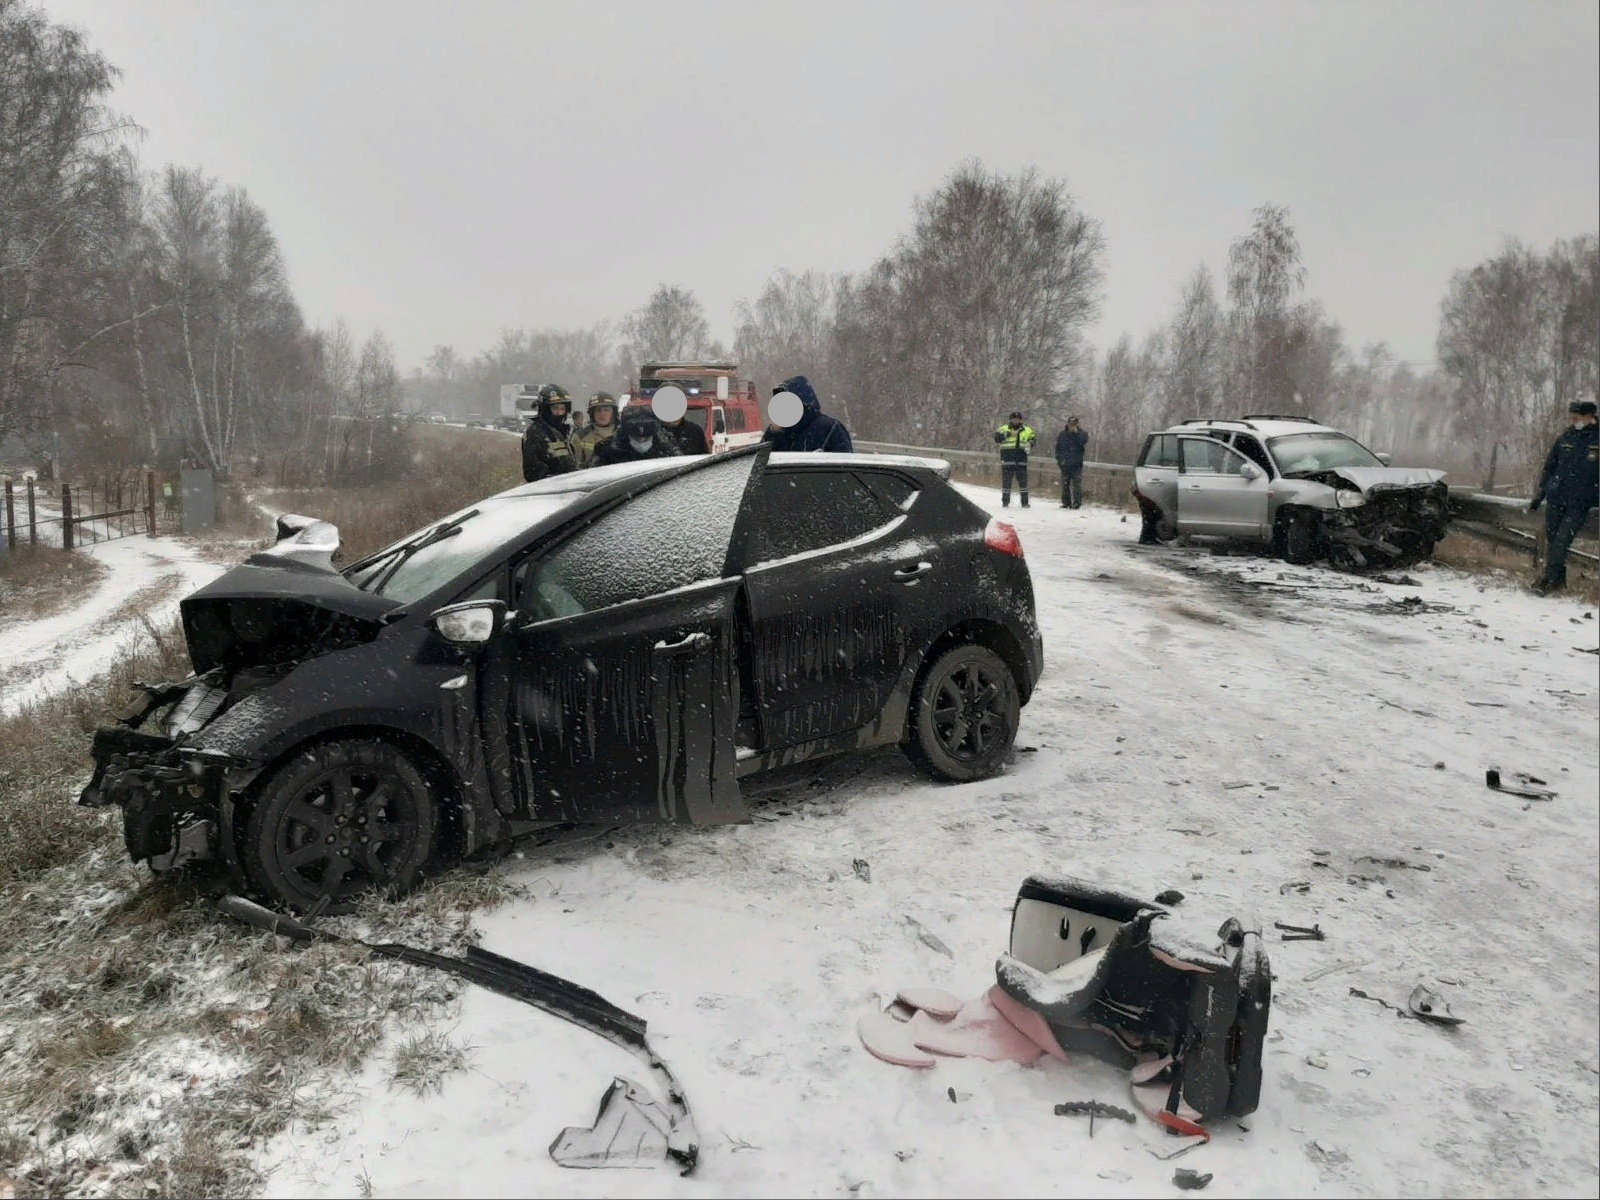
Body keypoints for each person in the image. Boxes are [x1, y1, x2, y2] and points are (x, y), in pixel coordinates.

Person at [1529, 399, 1599, 595]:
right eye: (1572, 416)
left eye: (1577, 416)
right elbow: (1551, 466)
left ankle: (1547, 581)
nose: (1573, 420)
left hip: (1580, 502)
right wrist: (1541, 493)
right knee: (1553, 540)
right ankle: (1559, 582)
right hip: (1556, 498)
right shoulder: (1566, 437)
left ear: (1589, 416)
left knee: (1561, 542)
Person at [761, 375, 853, 453]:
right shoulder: (781, 433)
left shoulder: (830, 429)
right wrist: (772, 433)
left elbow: (846, 466)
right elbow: (759, 464)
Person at [520, 384, 578, 482]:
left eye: (562, 409)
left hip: (568, 486)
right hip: (550, 490)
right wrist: (560, 480)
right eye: (555, 408)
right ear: (545, 409)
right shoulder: (536, 433)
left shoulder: (563, 432)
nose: (559, 413)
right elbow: (533, 473)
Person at [592, 405, 681, 466]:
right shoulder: (606, 451)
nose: (641, 441)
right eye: (636, 438)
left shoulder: (669, 450)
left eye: (646, 438)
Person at [994, 410, 1037, 508]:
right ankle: (1005, 502)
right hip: (1007, 459)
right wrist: (1008, 435)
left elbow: (1033, 439)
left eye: (1018, 419)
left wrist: (1030, 444)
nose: (1016, 421)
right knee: (1006, 482)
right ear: (1010, 419)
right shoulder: (1003, 428)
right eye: (1014, 419)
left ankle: (1025, 502)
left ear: (1021, 420)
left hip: (1021, 460)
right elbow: (997, 438)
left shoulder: (1027, 430)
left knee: (1023, 483)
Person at [575, 392, 619, 467]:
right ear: (592, 413)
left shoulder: (623, 433)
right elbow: (577, 465)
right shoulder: (581, 436)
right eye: (598, 410)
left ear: (613, 413)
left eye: (607, 410)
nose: (602, 414)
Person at [1054, 417, 1089, 509]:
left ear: (1077, 424)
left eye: (1074, 424)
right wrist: (1059, 460)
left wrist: (1076, 433)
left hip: (1076, 464)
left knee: (1077, 484)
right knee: (1065, 484)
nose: (1072, 426)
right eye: (1071, 424)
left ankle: (1077, 503)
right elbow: (1058, 448)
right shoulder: (1062, 435)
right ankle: (1066, 502)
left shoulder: (1083, 434)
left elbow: (1082, 442)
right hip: (1065, 463)